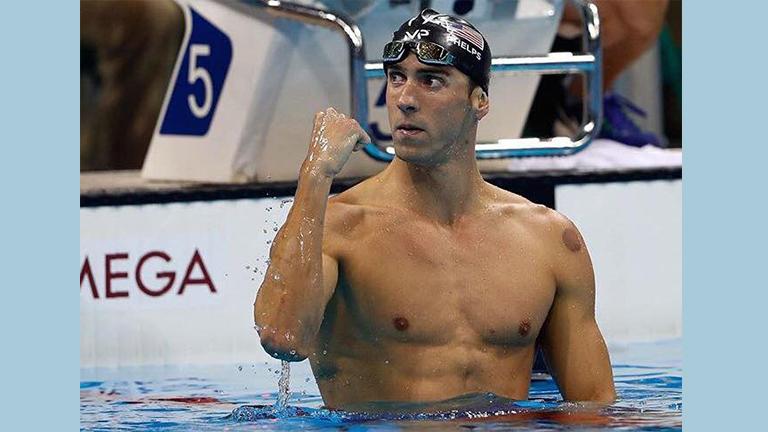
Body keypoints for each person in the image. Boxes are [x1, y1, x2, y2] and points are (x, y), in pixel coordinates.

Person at [254, 8, 615, 410]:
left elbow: (594, 408)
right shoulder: (341, 227)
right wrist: (315, 174)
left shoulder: (549, 240)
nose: (406, 99)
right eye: (397, 78)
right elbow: (282, 338)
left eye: (431, 80)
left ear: (479, 100)